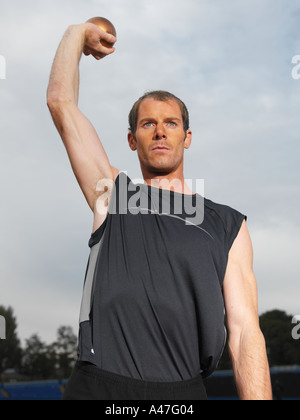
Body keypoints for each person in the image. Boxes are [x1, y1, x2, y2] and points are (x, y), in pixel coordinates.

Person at [47, 21, 273, 401]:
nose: (160, 132)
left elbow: (245, 330)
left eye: (171, 123)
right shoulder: (112, 193)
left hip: (184, 392)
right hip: (101, 386)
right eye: (148, 124)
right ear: (133, 140)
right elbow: (60, 102)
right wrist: (77, 33)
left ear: (187, 137)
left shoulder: (227, 223)